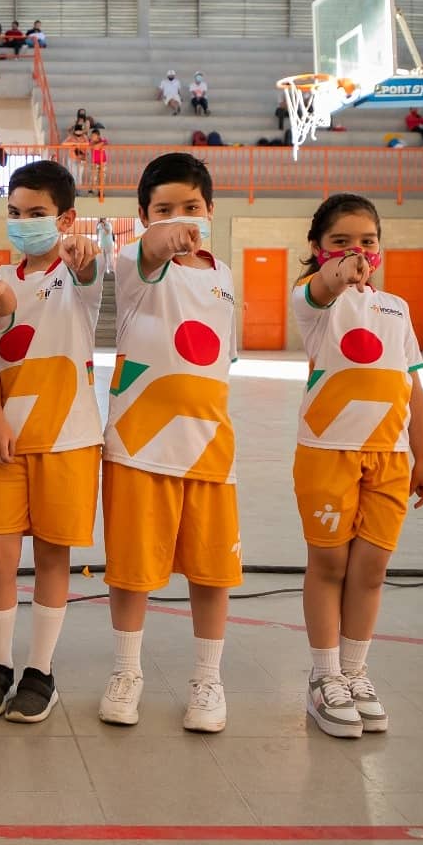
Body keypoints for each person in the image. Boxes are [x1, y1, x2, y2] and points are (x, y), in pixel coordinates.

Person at [98, 153, 241, 734]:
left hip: (210, 445)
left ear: (211, 211)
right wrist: (161, 237)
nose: (179, 219)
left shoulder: (225, 275)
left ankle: (208, 680)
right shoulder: (135, 262)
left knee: (212, 574)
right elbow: (154, 252)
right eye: (163, 210)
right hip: (138, 446)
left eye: (191, 208)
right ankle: (126, 672)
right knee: (131, 571)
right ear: (142, 217)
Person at [293, 194, 423, 739]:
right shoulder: (315, 302)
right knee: (328, 566)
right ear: (317, 249)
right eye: (341, 241)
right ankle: (324, 676)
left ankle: (354, 672)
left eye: (368, 241)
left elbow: (412, 383)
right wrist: (338, 274)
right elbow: (323, 288)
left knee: (371, 568)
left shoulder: (396, 308)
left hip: (391, 458)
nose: (358, 251)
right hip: (328, 455)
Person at [0, 160, 103, 723]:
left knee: (51, 556)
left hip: (69, 440)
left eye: (37, 214)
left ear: (65, 218)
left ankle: (40, 671)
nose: (23, 223)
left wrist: (87, 258)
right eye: (15, 214)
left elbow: (93, 275)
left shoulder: (77, 274)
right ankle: (0, 664)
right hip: (9, 443)